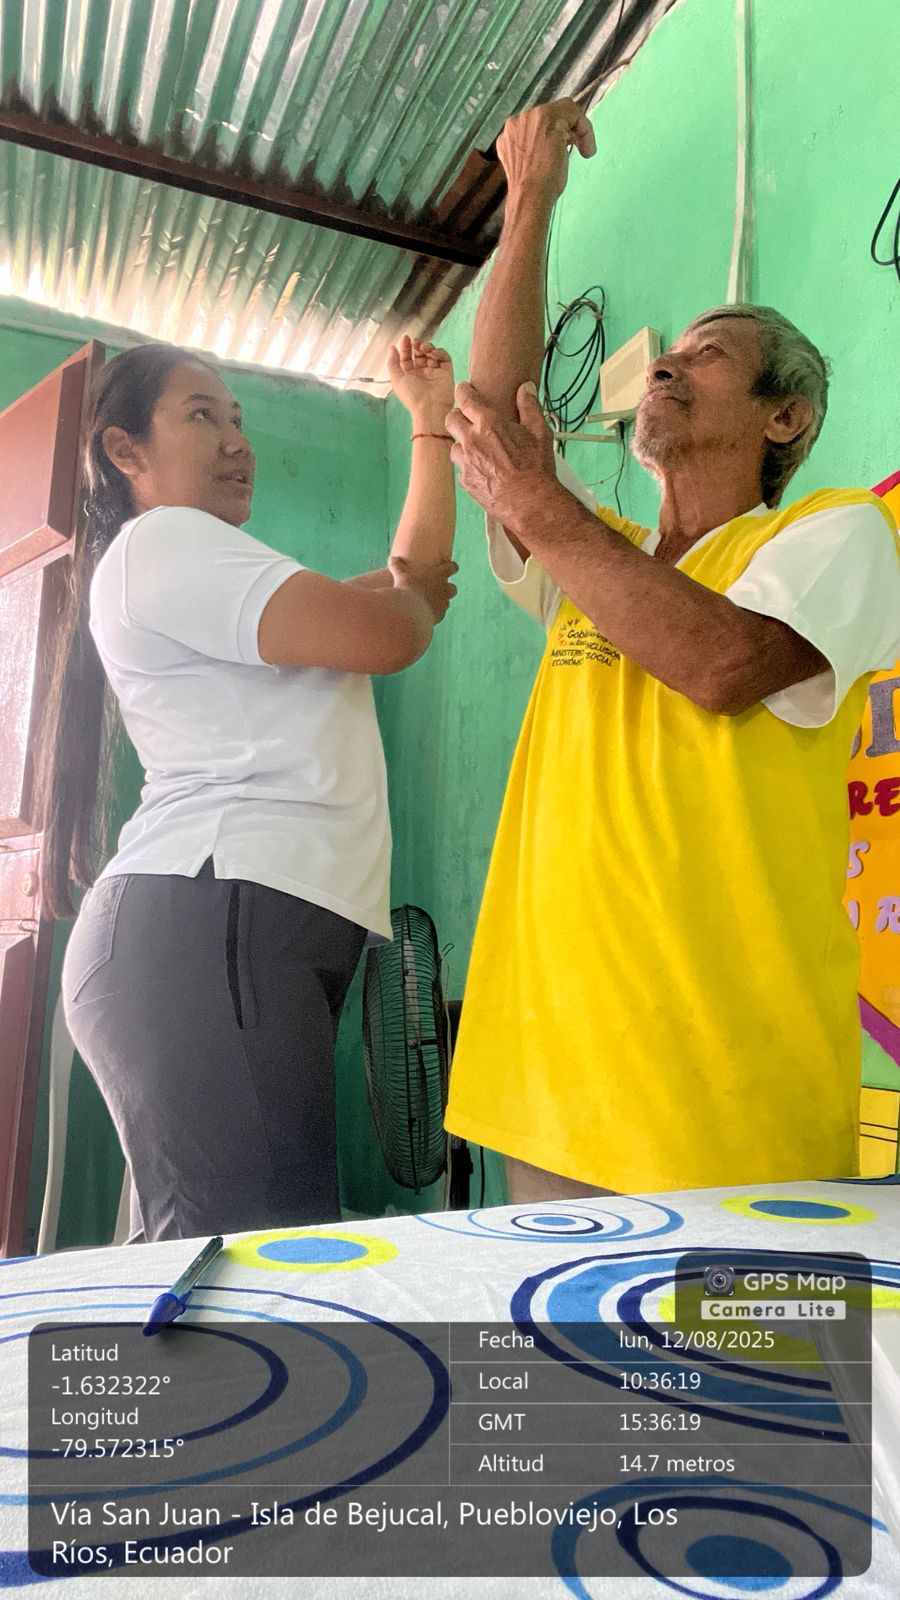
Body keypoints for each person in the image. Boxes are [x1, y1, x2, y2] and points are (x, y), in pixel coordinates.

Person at [442, 100, 900, 1202]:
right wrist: (530, 199)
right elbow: (492, 421)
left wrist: (541, 507)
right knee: (554, 1333)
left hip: (722, 1094)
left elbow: (722, 666)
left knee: (737, 1330)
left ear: (785, 419)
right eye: (671, 353)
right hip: (547, 1077)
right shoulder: (596, 552)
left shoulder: (834, 533)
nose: (666, 366)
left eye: (709, 354)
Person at [41, 335, 457, 1241]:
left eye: (239, 419)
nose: (237, 442)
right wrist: (410, 598)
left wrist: (429, 426)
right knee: (254, 1267)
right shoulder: (166, 540)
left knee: (240, 1257)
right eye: (202, 416)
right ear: (125, 450)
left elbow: (405, 597)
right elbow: (396, 627)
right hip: (215, 917)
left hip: (228, 929)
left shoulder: (223, 584)